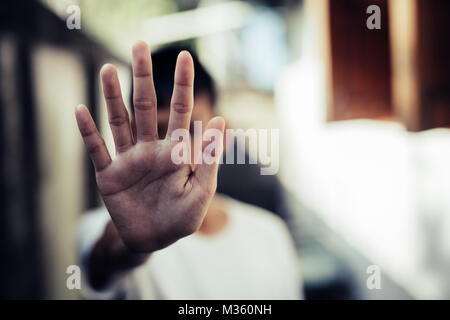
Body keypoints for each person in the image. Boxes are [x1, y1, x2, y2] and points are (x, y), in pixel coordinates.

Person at [75, 41, 302, 299]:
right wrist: (129, 246)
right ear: (133, 133)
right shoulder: (105, 229)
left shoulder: (270, 235)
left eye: (190, 130)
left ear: (222, 134)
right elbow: (103, 264)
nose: (172, 152)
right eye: (157, 132)